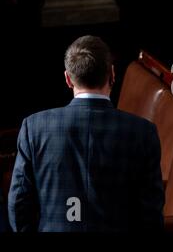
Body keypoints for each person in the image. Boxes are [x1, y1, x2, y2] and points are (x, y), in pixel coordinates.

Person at [8, 36, 164, 232]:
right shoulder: (143, 132)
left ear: (67, 78)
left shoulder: (34, 128)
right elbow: (151, 213)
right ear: (112, 75)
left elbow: (19, 204)